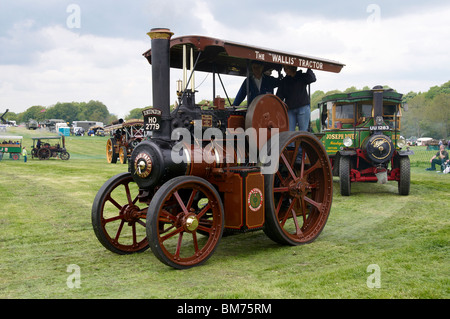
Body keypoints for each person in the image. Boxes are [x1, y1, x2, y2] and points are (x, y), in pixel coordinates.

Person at [276, 66, 316, 132]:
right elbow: (279, 96)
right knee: (289, 133)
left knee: (303, 132)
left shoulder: (301, 76)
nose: (285, 70)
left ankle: (302, 142)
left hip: (302, 108)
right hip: (290, 109)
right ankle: (292, 143)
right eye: (285, 68)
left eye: (287, 68)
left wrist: (309, 68)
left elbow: (312, 78)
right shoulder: (284, 81)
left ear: (293, 68)